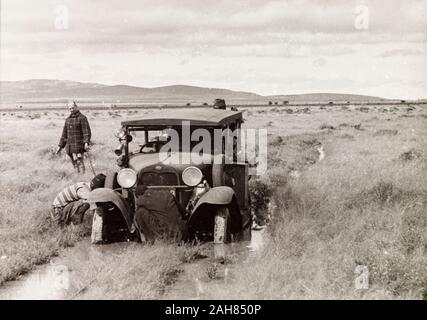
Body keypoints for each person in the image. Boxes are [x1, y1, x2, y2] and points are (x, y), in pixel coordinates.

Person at [56, 101, 92, 173]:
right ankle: (77, 175)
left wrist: (86, 142)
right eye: (70, 108)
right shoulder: (68, 119)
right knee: (74, 162)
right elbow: (64, 134)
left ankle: (82, 176)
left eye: (73, 108)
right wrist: (60, 146)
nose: (71, 110)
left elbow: (86, 132)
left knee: (80, 161)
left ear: (76, 107)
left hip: (79, 145)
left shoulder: (82, 118)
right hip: (69, 145)